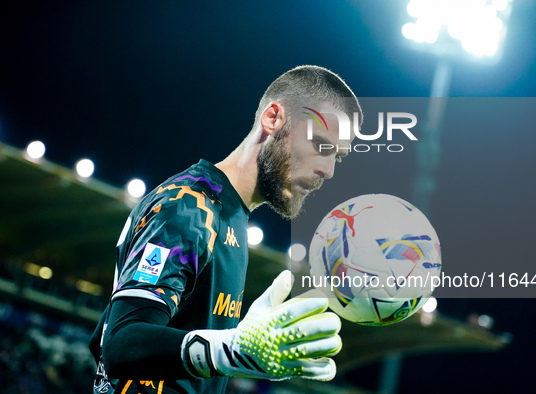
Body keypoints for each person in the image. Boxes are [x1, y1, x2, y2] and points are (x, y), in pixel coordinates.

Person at [89, 65, 363, 394]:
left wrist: (243, 354)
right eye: (320, 144)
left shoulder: (231, 215)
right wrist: (230, 350)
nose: (329, 170)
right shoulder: (188, 207)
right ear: (273, 118)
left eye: (339, 157)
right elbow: (119, 342)